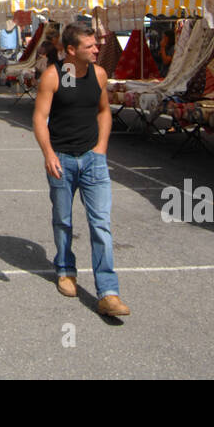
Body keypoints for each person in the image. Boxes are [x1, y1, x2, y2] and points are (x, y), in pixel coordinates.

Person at [32, 22, 130, 317]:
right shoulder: (53, 76)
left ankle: (108, 292)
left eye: (96, 44)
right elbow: (39, 118)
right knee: (63, 220)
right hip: (61, 158)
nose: (97, 49)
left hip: (92, 160)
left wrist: (101, 148)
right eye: (90, 46)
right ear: (71, 51)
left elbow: (103, 111)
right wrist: (49, 154)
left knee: (101, 223)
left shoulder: (99, 74)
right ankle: (65, 269)